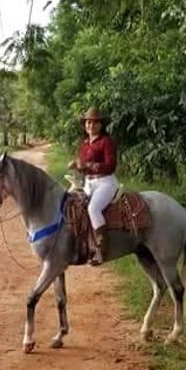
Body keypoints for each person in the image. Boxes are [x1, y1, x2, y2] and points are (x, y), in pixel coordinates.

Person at [68, 106, 118, 265]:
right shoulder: (84, 144)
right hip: (89, 183)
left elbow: (111, 165)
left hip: (105, 182)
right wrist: (76, 166)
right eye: (88, 123)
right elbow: (83, 167)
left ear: (101, 125)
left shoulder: (106, 142)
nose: (91, 126)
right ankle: (80, 244)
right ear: (85, 125)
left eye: (95, 123)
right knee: (72, 205)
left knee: (93, 209)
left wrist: (88, 165)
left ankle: (101, 249)